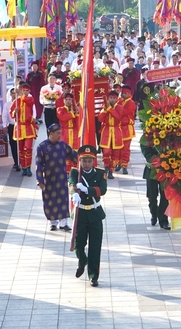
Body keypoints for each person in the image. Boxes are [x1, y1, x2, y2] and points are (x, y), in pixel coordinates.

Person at [70, 145, 108, 286]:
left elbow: (103, 189)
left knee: (95, 247)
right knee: (78, 245)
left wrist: (88, 190)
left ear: (93, 161)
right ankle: (82, 260)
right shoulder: (75, 172)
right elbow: (72, 184)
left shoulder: (100, 173)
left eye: (89, 161)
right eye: (83, 161)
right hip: (80, 214)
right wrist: (74, 194)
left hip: (94, 214)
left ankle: (93, 275)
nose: (86, 164)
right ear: (79, 161)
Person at [35, 124, 78, 231]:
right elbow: (38, 165)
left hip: (62, 178)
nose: (60, 135)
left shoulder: (63, 145)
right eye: (58, 133)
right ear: (51, 133)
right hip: (48, 179)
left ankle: (63, 223)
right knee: (49, 200)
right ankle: (52, 222)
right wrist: (39, 180)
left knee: (63, 200)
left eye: (60, 133)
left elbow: (73, 155)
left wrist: (83, 157)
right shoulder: (42, 147)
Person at [11, 82, 39, 176]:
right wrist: (15, 112)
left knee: (28, 148)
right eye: (24, 90)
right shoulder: (16, 101)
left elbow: (31, 106)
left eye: (27, 90)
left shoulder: (30, 99)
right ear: (21, 90)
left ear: (29, 91)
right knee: (21, 150)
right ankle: (23, 168)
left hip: (28, 127)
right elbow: (11, 114)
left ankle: (28, 167)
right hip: (19, 127)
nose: (25, 92)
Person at [141, 143, 170, 229]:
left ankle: (163, 220)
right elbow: (146, 152)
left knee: (165, 196)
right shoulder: (147, 138)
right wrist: (156, 160)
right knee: (152, 196)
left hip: (166, 170)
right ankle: (154, 213)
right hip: (151, 171)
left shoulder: (169, 135)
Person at [97, 90, 124, 179]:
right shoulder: (104, 107)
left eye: (114, 98)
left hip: (116, 131)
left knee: (115, 153)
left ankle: (111, 170)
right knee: (106, 151)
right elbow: (100, 119)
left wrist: (109, 109)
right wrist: (105, 110)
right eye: (110, 98)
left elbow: (118, 117)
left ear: (117, 99)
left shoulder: (120, 107)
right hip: (106, 131)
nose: (112, 100)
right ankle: (106, 167)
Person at [117, 85, 136, 175]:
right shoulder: (120, 101)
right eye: (122, 93)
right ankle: (119, 163)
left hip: (127, 128)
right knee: (119, 148)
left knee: (125, 149)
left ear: (129, 94)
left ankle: (124, 165)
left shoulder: (131, 103)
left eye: (125, 93)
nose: (123, 95)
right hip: (120, 128)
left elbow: (123, 112)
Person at [2, 87, 20, 172]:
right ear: (10, 94)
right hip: (12, 126)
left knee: (21, 144)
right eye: (12, 93)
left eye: (15, 93)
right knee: (13, 145)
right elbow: (4, 115)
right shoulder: (7, 104)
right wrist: (4, 125)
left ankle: (22, 161)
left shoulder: (21, 103)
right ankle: (16, 162)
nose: (14, 95)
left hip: (20, 125)